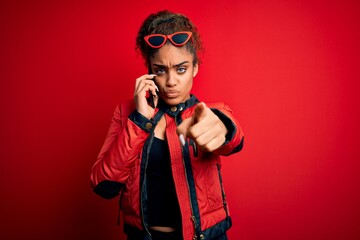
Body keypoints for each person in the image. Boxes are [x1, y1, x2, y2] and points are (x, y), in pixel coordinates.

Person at [90, 10, 244, 240]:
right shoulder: (126, 114)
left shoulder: (212, 111)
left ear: (195, 68)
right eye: (160, 70)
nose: (171, 82)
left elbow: (234, 138)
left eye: (181, 69)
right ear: (150, 72)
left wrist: (222, 128)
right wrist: (140, 120)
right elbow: (104, 186)